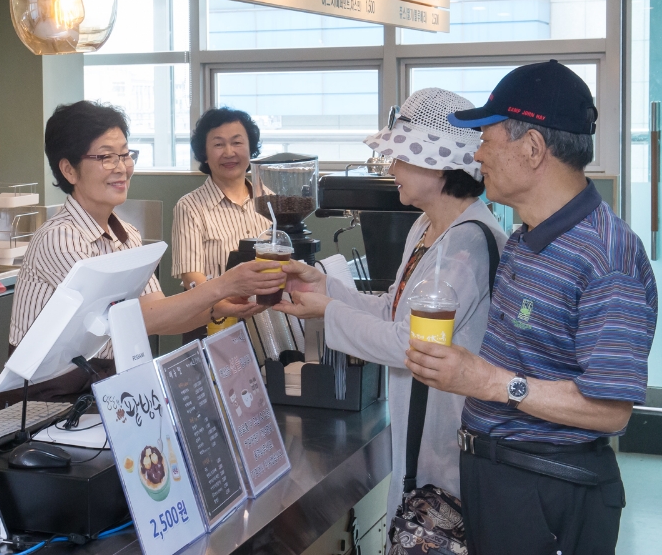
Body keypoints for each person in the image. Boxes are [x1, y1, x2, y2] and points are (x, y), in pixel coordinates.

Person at [404, 61, 658, 555]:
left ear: (533, 148)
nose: (476, 155)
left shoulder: (608, 257)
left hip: (549, 491)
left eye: (487, 139)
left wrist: (488, 382)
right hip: (498, 478)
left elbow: (610, 410)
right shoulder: (525, 238)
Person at [274, 88, 507, 521]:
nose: (392, 167)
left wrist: (326, 310)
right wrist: (324, 287)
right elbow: (392, 309)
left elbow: (408, 342)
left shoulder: (467, 245)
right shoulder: (427, 226)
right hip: (418, 433)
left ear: (438, 165)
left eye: (401, 156)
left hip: (447, 450)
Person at [3, 101, 283, 405]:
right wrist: (223, 286)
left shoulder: (128, 235)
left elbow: (159, 313)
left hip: (99, 390)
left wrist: (219, 307)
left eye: (124, 154)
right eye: (106, 156)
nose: (122, 167)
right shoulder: (60, 238)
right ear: (69, 169)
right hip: (42, 400)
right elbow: (139, 319)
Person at [172, 107, 271, 336]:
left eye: (237, 143)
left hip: (267, 323)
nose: (229, 153)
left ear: (250, 147)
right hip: (213, 323)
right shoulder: (189, 207)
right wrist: (224, 305)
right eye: (218, 144)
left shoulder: (270, 201)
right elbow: (191, 277)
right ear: (204, 154)